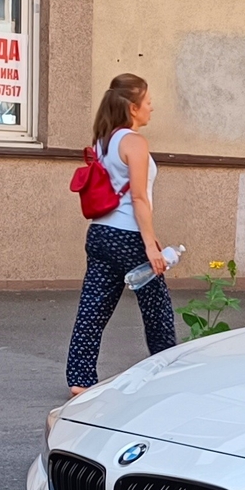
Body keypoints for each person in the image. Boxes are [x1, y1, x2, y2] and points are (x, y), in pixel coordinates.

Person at [67, 74, 175, 393]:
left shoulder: (103, 140)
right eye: (147, 101)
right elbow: (139, 198)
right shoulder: (134, 142)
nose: (151, 107)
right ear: (132, 107)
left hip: (100, 234)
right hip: (129, 237)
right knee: (157, 311)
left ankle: (80, 379)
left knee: (93, 308)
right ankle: (168, 373)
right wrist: (151, 247)